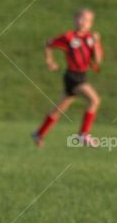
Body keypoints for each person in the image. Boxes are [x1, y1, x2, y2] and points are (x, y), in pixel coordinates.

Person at [32, 9, 104, 148]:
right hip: (72, 76)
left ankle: (39, 133)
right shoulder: (69, 37)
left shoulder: (91, 38)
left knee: (59, 109)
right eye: (81, 18)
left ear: (91, 23)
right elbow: (49, 43)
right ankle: (83, 134)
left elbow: (98, 60)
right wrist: (49, 61)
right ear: (75, 20)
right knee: (94, 100)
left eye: (87, 20)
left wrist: (96, 43)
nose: (83, 22)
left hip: (82, 75)